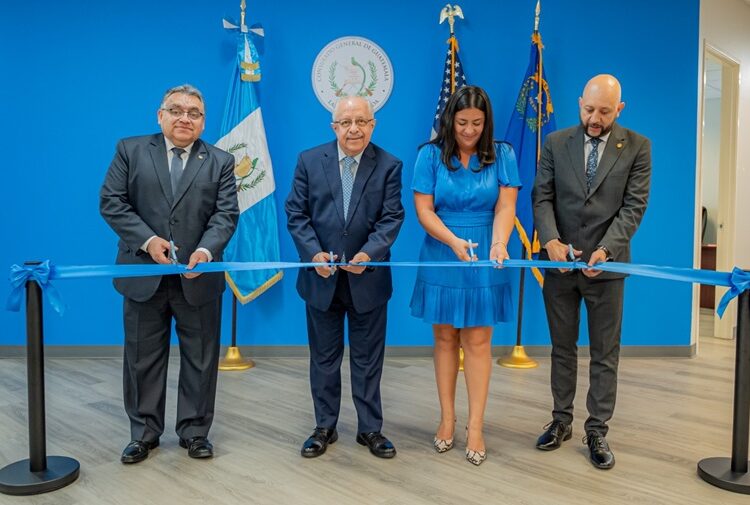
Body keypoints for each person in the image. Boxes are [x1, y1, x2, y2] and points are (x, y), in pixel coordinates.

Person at [100, 84, 239, 464]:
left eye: (194, 113)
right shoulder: (129, 150)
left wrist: (205, 251)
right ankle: (143, 434)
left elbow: (226, 215)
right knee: (141, 358)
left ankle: (195, 432)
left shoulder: (221, 161)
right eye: (176, 110)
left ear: (203, 122)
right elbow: (111, 202)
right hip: (143, 274)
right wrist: (148, 241)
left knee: (201, 359)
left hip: (199, 277)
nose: (184, 118)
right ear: (160, 115)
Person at [532, 74, 651, 469]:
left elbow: (633, 206)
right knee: (562, 348)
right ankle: (560, 421)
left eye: (604, 112)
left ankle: (597, 430)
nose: (595, 119)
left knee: (605, 353)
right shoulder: (555, 142)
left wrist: (606, 249)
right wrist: (550, 241)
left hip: (608, 268)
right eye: (589, 109)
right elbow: (542, 196)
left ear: (620, 109)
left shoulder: (638, 147)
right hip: (560, 267)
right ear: (579, 102)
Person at [285, 96, 404, 459]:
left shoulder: (389, 165)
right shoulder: (309, 160)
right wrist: (313, 254)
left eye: (361, 121)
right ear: (334, 126)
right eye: (346, 122)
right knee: (324, 359)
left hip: (368, 280)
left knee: (368, 360)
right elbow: (296, 213)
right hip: (321, 279)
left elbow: (391, 217)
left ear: (373, 125)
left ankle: (370, 429)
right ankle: (325, 426)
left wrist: (369, 254)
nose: (354, 129)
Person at [410, 85, 520, 466]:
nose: (469, 130)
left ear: (486, 122)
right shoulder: (429, 155)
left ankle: (475, 426)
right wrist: (453, 241)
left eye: (477, 123)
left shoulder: (503, 154)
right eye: (462, 123)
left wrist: (499, 243)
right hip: (443, 248)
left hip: (485, 250)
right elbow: (424, 211)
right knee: (444, 337)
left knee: (477, 340)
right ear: (449, 120)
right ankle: (447, 419)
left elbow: (506, 206)